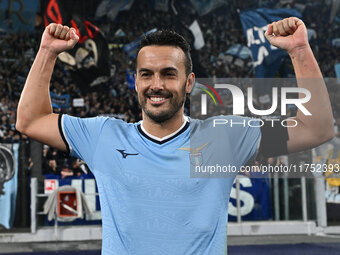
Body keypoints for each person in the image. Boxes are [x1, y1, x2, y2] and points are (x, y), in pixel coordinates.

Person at [16, 18, 334, 255]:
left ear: (189, 82)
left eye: (169, 73)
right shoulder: (102, 134)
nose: (157, 84)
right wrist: (47, 52)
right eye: (147, 74)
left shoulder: (224, 137)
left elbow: (315, 128)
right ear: (136, 82)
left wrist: (299, 50)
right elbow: (31, 120)